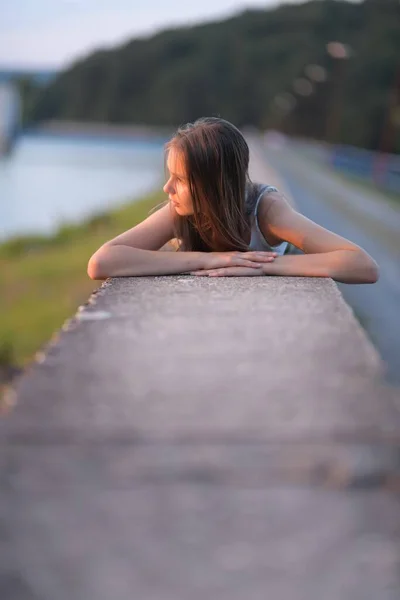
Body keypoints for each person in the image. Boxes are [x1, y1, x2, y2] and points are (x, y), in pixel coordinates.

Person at [87, 117, 379, 284]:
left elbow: (363, 265)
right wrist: (207, 260)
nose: (167, 188)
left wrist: (263, 266)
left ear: (213, 185)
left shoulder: (266, 211)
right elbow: (101, 263)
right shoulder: (180, 211)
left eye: (180, 179)